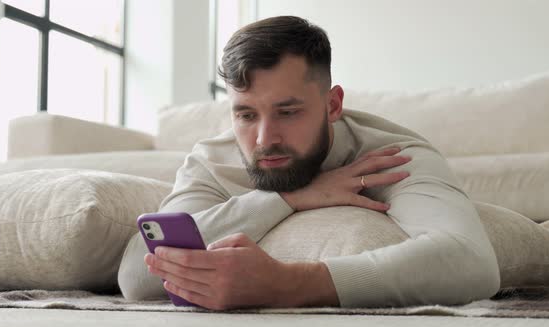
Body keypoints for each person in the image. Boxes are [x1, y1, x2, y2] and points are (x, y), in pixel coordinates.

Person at [118, 16, 500, 310]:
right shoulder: (211, 162)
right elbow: (137, 273)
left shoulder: (391, 155)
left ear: (332, 105)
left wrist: (288, 284)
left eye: (288, 111)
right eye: (246, 115)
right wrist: (289, 197)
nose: (265, 139)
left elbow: (471, 261)